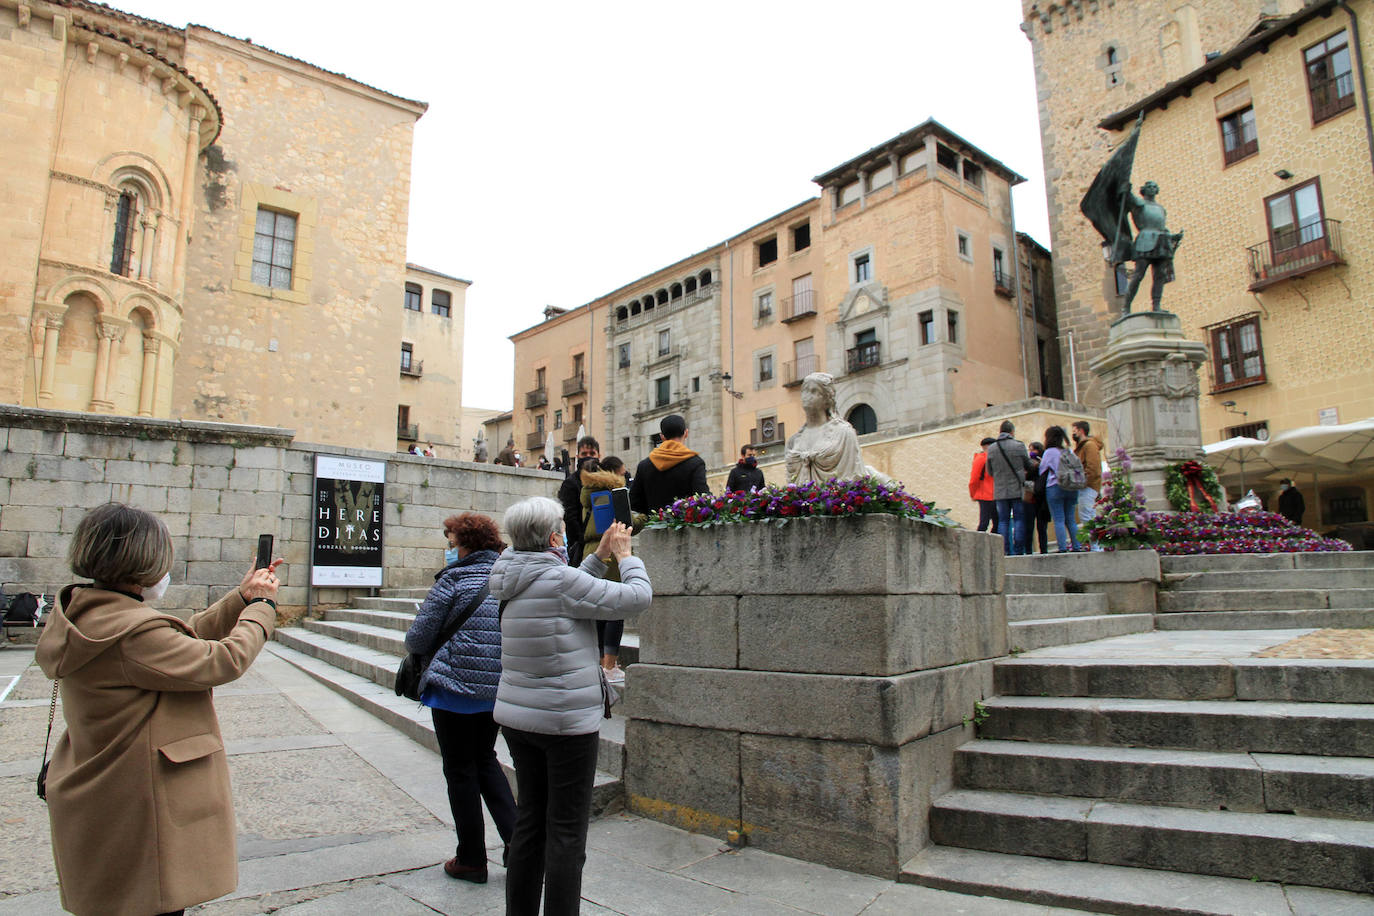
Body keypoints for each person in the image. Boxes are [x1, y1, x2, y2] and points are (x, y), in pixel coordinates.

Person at [36, 502, 282, 916]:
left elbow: (179, 644)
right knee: (150, 905)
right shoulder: (132, 633)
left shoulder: (91, 613)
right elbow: (220, 661)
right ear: (142, 563)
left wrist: (240, 598)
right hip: (140, 803)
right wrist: (262, 607)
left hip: (108, 791)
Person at [490, 497, 653, 916]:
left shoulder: (510, 573)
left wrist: (597, 558)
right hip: (564, 724)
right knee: (565, 834)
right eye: (561, 528)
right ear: (553, 537)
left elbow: (563, 593)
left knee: (530, 824)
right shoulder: (559, 582)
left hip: (518, 717)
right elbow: (637, 597)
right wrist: (626, 556)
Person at [404, 513, 515, 885]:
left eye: (451, 542)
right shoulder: (506, 577)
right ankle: (518, 845)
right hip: (495, 689)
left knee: (460, 769)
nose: (449, 549)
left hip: (453, 690)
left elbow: (418, 640)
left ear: (465, 544)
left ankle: (471, 858)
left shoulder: (453, 580)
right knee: (485, 760)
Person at [576, 457, 633, 685]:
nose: (625, 476)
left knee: (598, 612)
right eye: (623, 472)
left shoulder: (588, 492)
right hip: (610, 553)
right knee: (615, 610)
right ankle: (609, 665)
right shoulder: (613, 493)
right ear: (614, 474)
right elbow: (626, 522)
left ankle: (600, 664)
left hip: (592, 553)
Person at [784, 372, 890, 485]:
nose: (807, 396)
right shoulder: (793, 441)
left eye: (814, 391)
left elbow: (854, 477)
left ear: (827, 399)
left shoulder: (844, 433)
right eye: (804, 391)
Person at [1120, 180, 1184, 313]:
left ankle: (1156, 305)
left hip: (1162, 241)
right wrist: (1126, 186)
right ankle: (1126, 306)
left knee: (1160, 275)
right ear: (1144, 190)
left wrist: (1173, 236)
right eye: (1149, 186)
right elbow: (1127, 196)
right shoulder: (1139, 204)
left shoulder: (1160, 208)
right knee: (1138, 275)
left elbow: (1161, 227)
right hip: (1145, 241)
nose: (1152, 189)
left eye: (1155, 187)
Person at [630, 415, 709, 514]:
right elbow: (703, 498)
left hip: (654, 526)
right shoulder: (695, 463)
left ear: (662, 436)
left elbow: (634, 502)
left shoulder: (644, 465)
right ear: (686, 433)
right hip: (686, 526)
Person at [985, 420, 1035, 556]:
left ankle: (1005, 551)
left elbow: (989, 471)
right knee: (1019, 519)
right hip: (1016, 489)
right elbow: (1029, 465)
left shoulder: (992, 448)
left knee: (1003, 521)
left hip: (1000, 490)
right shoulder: (1018, 446)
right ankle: (1019, 550)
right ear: (1012, 432)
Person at [1040, 426, 1084, 553]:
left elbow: (1042, 470)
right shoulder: (1068, 451)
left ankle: (1063, 547)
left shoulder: (1049, 452)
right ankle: (1076, 546)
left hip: (1055, 486)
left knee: (1058, 519)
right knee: (1071, 519)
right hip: (1072, 486)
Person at [558, 436, 601, 566]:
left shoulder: (606, 479)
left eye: (592, 453)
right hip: (581, 547)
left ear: (599, 455)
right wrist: (582, 539)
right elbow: (570, 517)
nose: (588, 457)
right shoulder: (570, 483)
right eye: (584, 454)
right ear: (578, 456)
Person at [968, 437, 998, 534]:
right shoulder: (996, 458)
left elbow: (974, 479)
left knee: (984, 522)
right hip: (996, 494)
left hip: (984, 494)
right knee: (997, 522)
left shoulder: (980, 458)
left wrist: (973, 494)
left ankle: (979, 546)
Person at [1028, 441, 1052, 555]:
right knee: (1030, 525)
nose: (1031, 452)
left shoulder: (1044, 462)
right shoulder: (1029, 463)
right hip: (1033, 496)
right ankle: (1029, 549)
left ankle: (1043, 548)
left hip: (1041, 497)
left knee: (1042, 525)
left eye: (1033, 450)